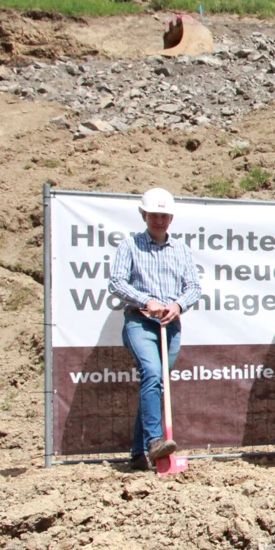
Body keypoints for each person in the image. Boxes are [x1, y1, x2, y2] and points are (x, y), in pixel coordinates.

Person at [107, 188, 201, 472]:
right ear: (144, 215)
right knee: (151, 372)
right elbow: (117, 283)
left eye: (163, 215)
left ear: (170, 218)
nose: (158, 220)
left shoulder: (181, 250)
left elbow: (194, 287)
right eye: (153, 215)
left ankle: (138, 453)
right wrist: (146, 300)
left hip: (170, 326)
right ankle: (155, 440)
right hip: (139, 321)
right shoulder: (130, 246)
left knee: (156, 384)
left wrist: (178, 305)